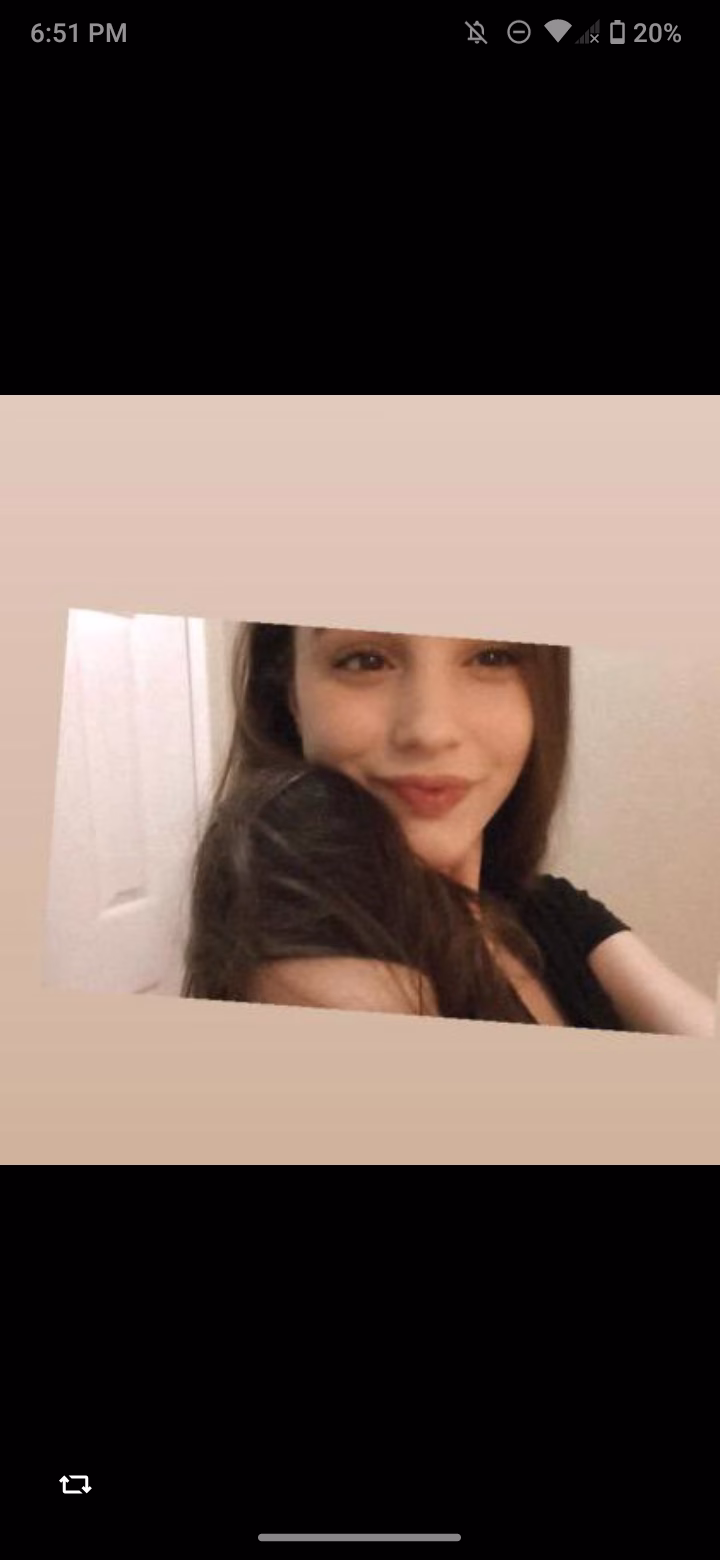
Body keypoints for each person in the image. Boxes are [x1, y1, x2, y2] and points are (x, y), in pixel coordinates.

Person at [181, 623, 716, 1038]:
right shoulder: (296, 904)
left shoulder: (550, 910)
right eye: (365, 660)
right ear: (291, 696)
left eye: (492, 656)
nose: (431, 730)